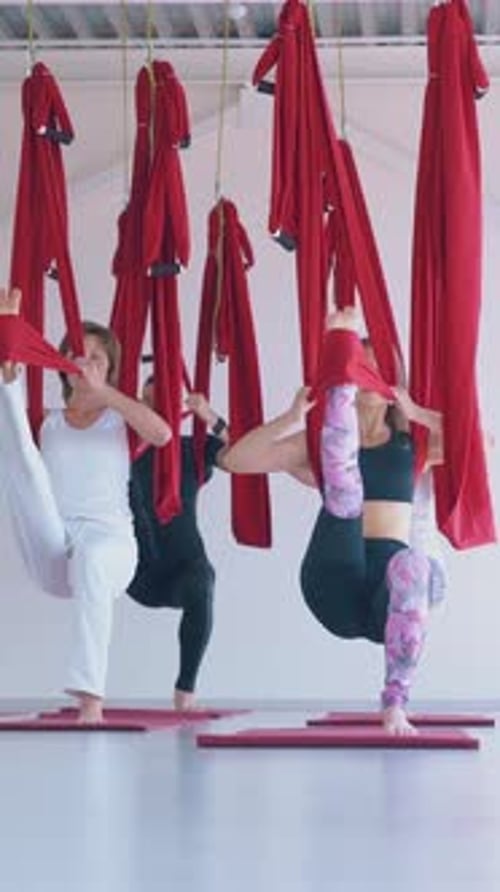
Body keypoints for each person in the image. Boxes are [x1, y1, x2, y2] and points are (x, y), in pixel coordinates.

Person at [220, 306, 443, 735]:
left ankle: (395, 702)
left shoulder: (411, 446)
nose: (373, 377)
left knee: (415, 564)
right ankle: (337, 359)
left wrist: (419, 415)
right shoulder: (313, 445)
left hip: (388, 602)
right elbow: (235, 460)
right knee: (345, 494)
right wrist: (290, 419)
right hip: (333, 584)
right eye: (362, 366)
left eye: (380, 369)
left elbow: (479, 444)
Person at [0, 286, 171, 723]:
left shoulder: (120, 418)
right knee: (22, 456)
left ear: (110, 369)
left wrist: (106, 392)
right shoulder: (49, 421)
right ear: (62, 364)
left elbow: (162, 434)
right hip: (54, 545)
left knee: (93, 556)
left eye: (97, 358)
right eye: (79, 355)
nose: (86, 364)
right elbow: (19, 444)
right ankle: (7, 371)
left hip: (110, 547)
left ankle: (90, 699)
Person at [127, 376, 228, 711]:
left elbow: (243, 450)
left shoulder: (192, 448)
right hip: (135, 568)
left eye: (163, 403)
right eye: (148, 402)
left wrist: (210, 417)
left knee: (203, 583)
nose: (156, 411)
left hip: (184, 567)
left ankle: (185, 691)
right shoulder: (122, 445)